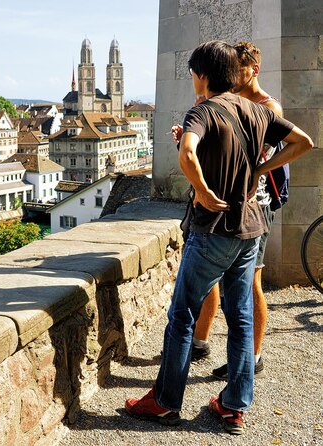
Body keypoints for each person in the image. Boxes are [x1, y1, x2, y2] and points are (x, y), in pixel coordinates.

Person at [124, 40, 313, 435]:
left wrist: (205, 192)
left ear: (203, 76)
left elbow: (189, 154)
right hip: (251, 226)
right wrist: (262, 170)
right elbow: (303, 143)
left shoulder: (204, 109)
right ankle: (232, 406)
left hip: (213, 230)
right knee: (241, 317)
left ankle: (164, 401)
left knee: (182, 315)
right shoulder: (255, 111)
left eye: (194, 73)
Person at [190, 41, 283, 378]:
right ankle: (200, 341)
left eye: (239, 68)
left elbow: (255, 158)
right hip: (221, 202)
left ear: (253, 70)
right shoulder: (225, 100)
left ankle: (253, 357)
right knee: (213, 279)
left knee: (249, 283)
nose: (232, 73)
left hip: (254, 205)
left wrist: (259, 170)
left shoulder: (268, 106)